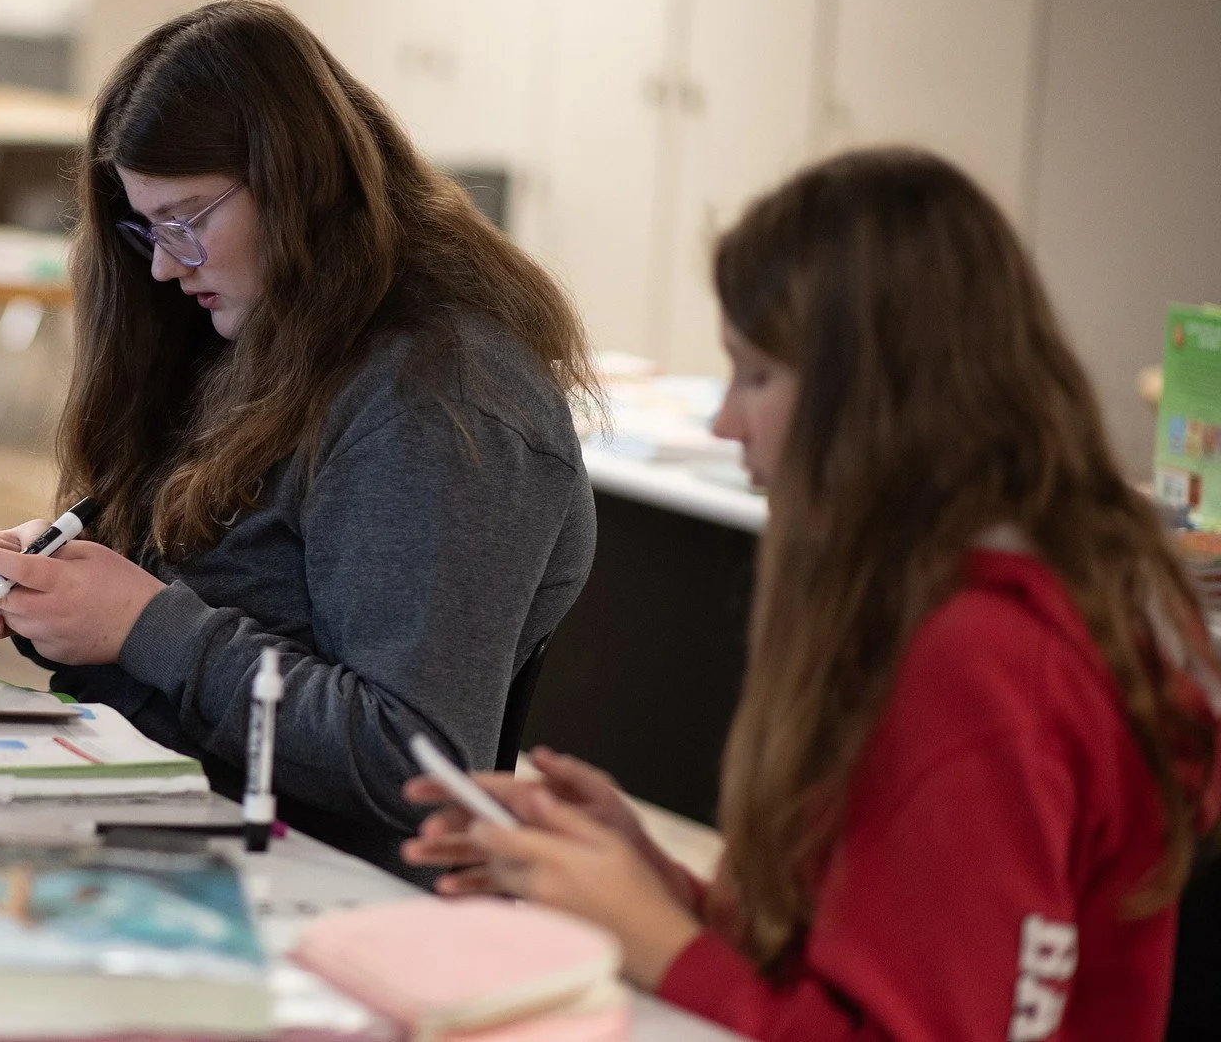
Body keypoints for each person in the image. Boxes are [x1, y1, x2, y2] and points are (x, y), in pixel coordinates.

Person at [404, 148, 1221, 1040]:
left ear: (875, 395)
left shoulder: (982, 659)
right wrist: (657, 887)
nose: (725, 420)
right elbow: (886, 950)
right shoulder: (1001, 604)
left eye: (756, 375)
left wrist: (658, 940)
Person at [0, 0, 600, 879]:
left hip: (301, 889)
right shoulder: (260, 332)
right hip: (153, 818)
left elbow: (416, 763)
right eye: (147, 226)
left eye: (188, 220)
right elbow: (207, 607)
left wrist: (142, 624)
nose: (164, 262)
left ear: (300, 179)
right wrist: (58, 598)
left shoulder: (436, 399)